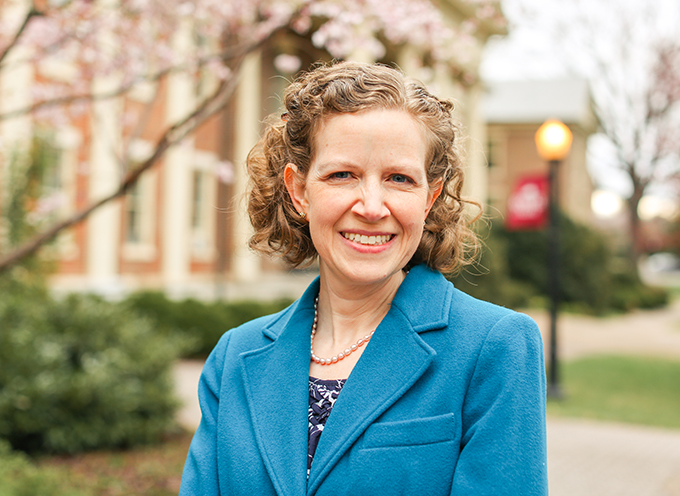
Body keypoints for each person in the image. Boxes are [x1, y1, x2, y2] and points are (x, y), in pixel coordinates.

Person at [179, 61, 547, 496]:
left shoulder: (494, 347)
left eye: (399, 178)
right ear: (299, 191)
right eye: (342, 175)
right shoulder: (234, 358)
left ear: (429, 198)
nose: (372, 206)